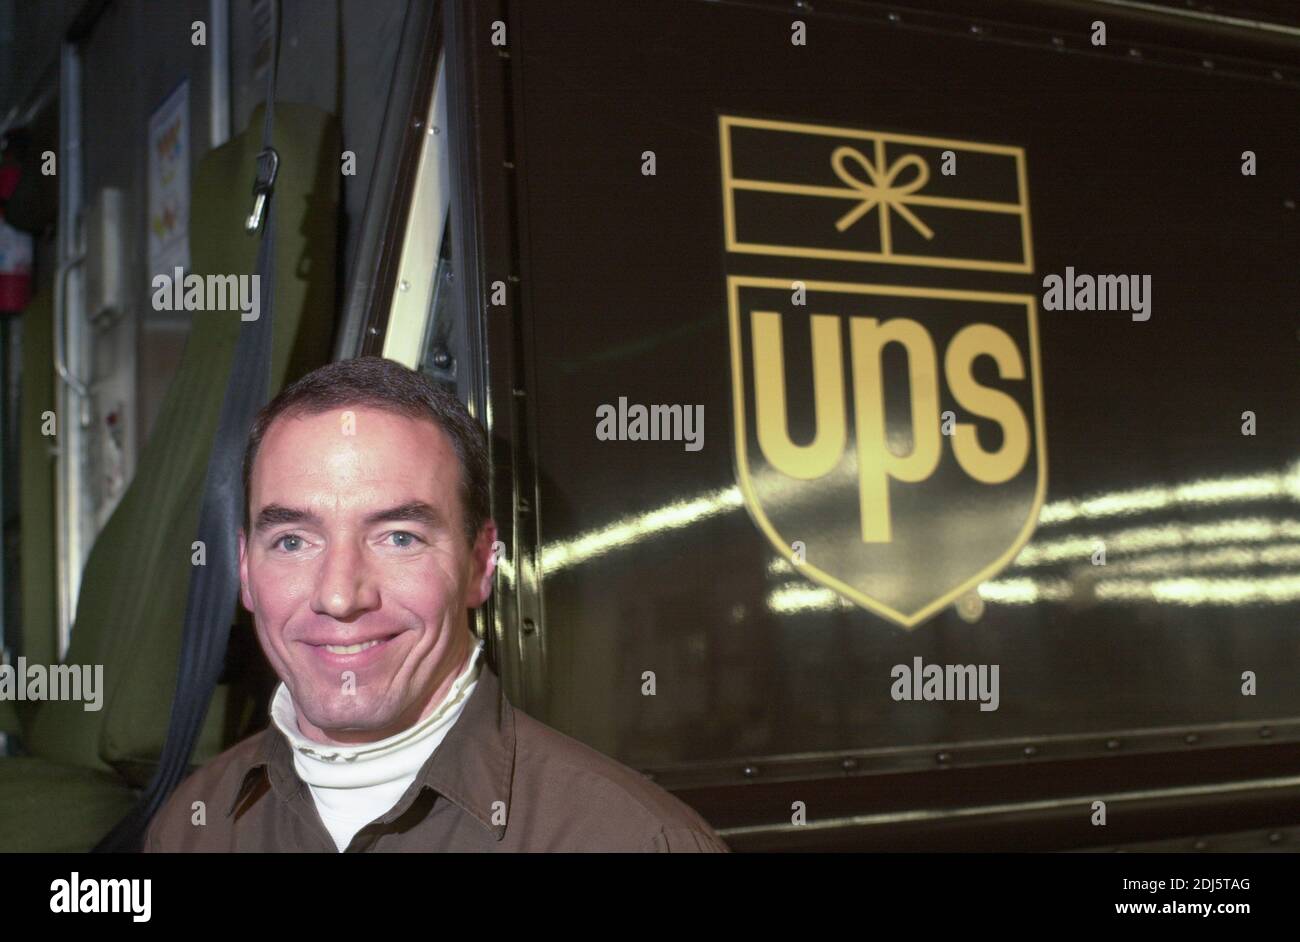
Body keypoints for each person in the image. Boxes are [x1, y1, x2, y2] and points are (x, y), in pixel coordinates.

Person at [144, 356, 728, 852]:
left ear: (478, 565)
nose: (340, 595)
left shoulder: (633, 840)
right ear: (245, 571)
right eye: (293, 541)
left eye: (399, 537)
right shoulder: (192, 826)